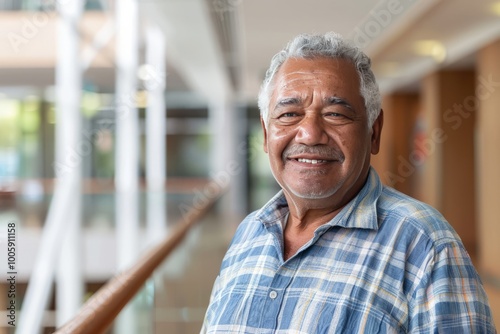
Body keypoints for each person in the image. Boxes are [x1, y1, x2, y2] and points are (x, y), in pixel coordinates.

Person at [201, 32, 496, 333]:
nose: (311, 134)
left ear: (374, 132)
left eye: (335, 114)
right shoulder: (248, 235)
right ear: (266, 134)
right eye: (289, 114)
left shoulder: (424, 243)